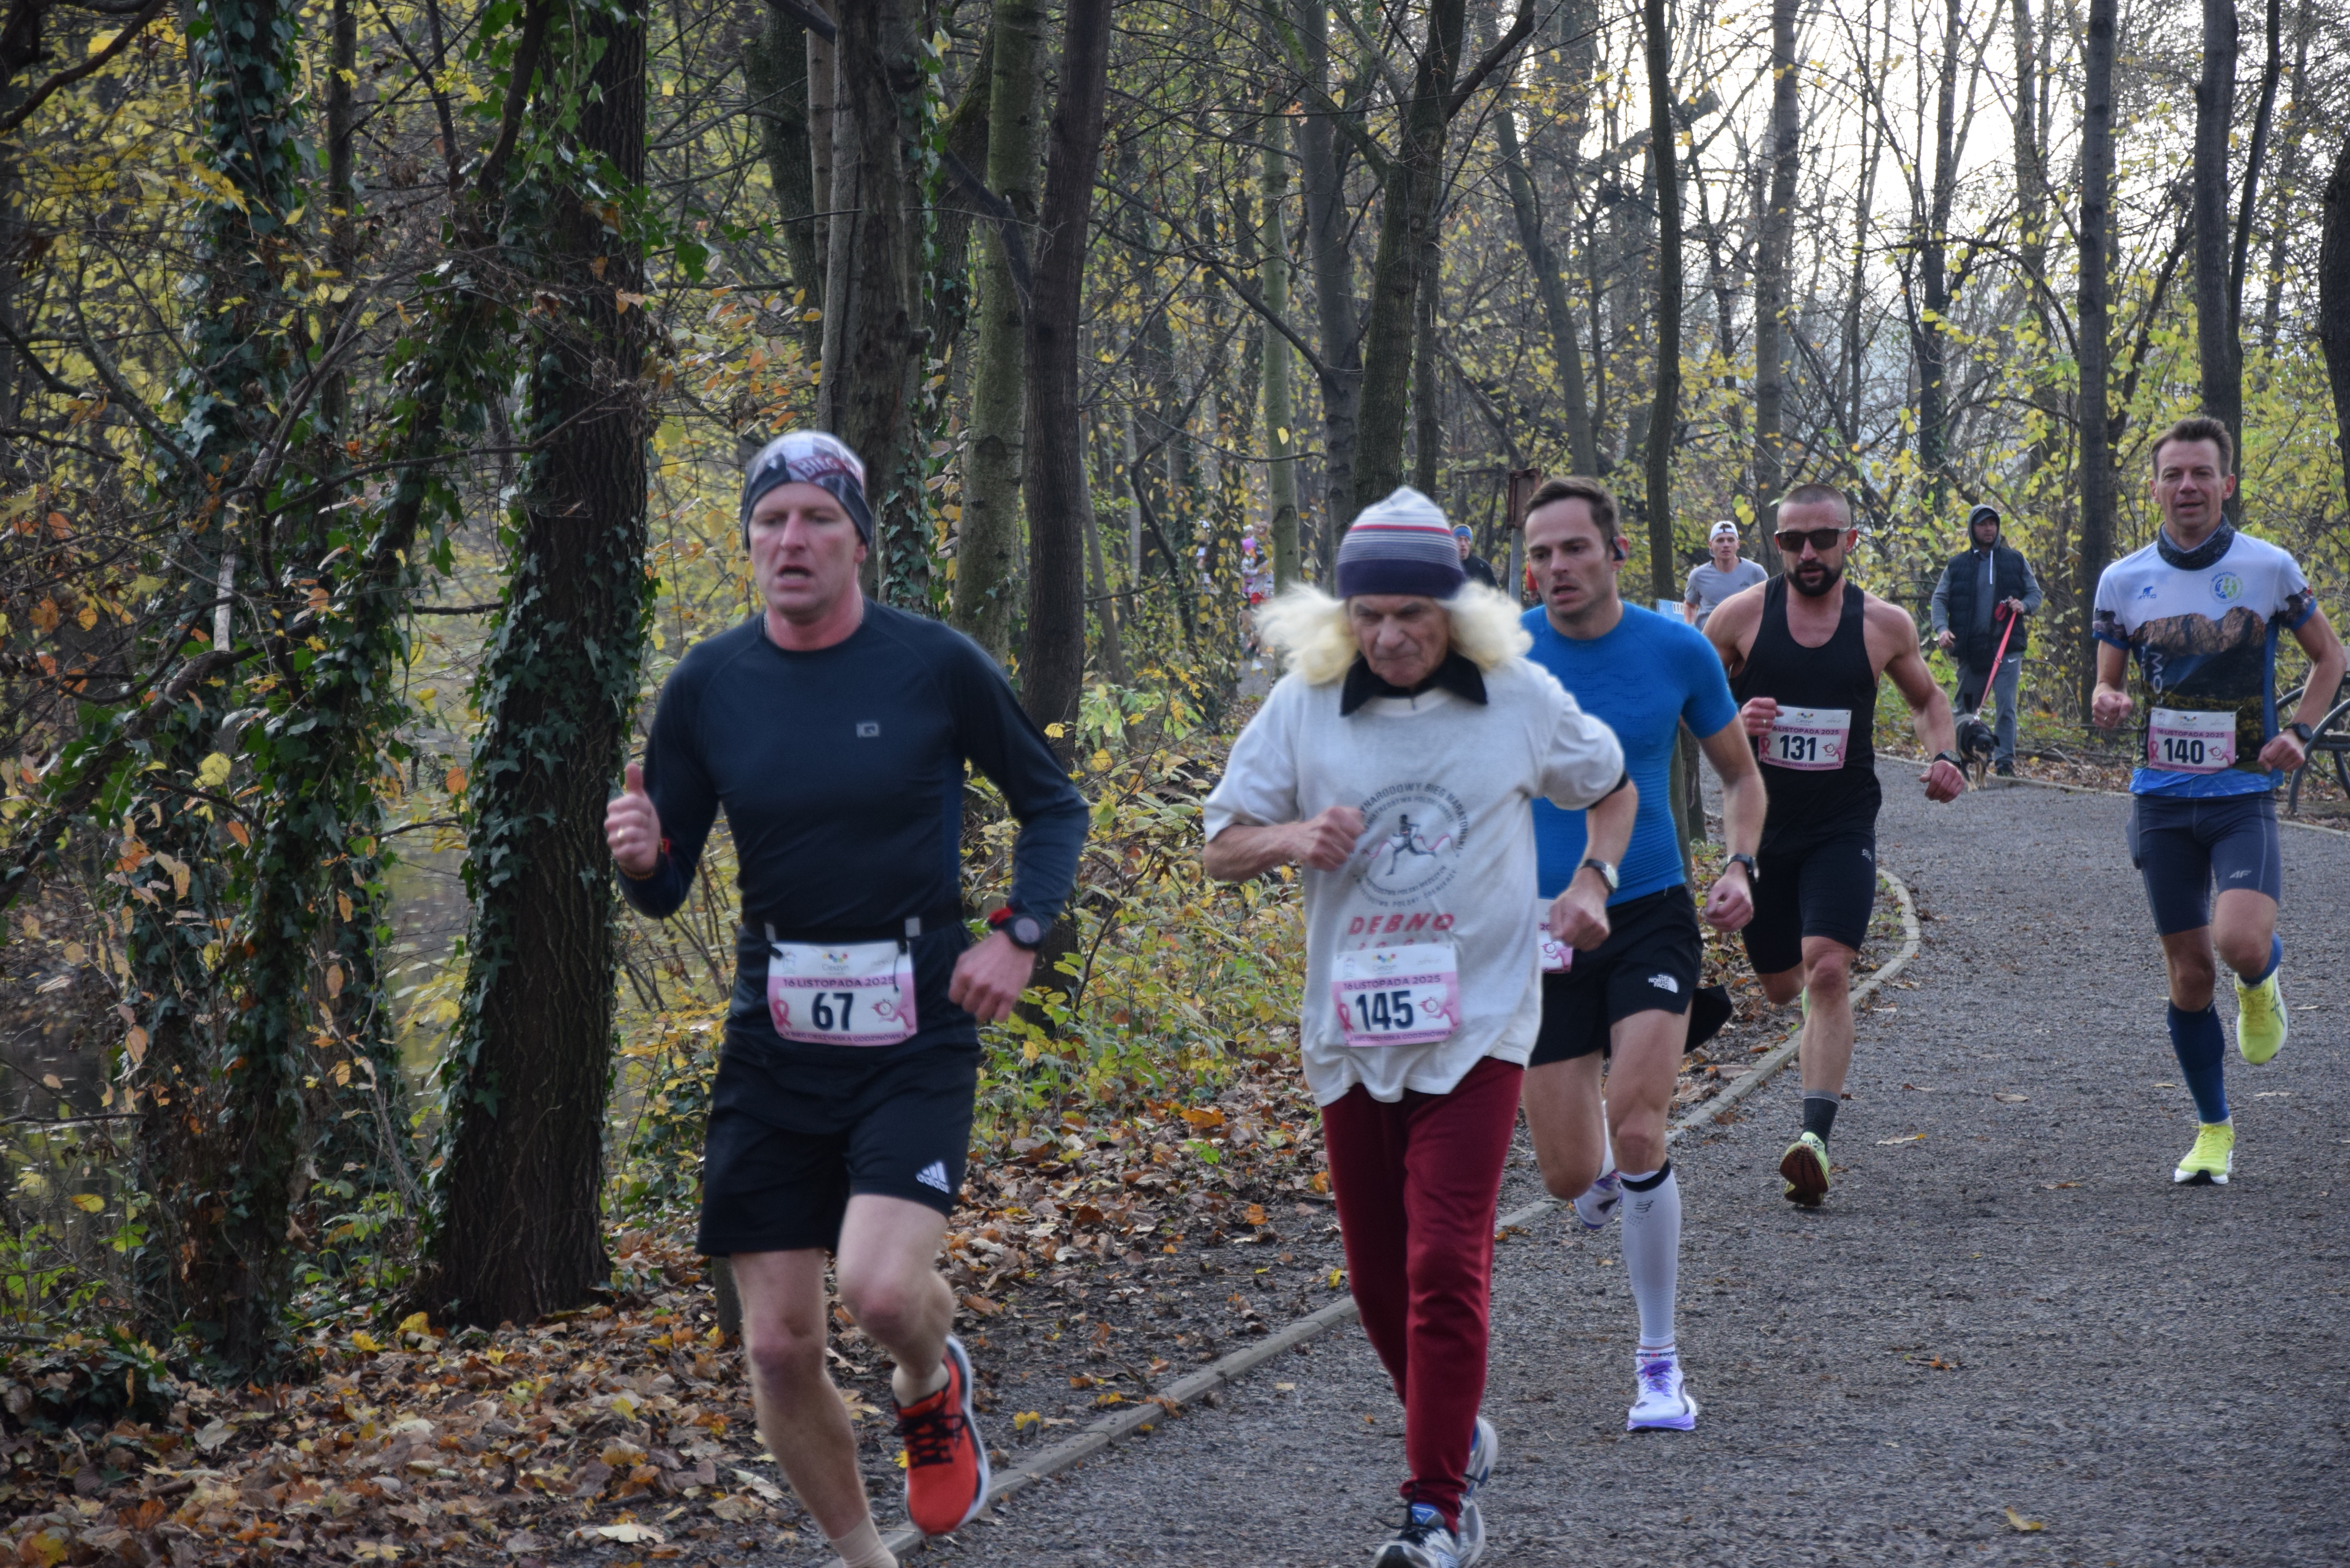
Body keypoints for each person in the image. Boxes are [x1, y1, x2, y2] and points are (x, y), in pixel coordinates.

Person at [604, 432, 1088, 1568]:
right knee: (777, 1346)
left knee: (877, 1294)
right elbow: (667, 887)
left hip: (915, 1025)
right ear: (749, 544)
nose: (792, 540)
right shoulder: (708, 685)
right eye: (770, 521)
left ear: (859, 542)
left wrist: (1019, 933)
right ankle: (865, 1557)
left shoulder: (934, 664)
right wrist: (638, 857)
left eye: (818, 519)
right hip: (773, 1038)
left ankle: (928, 1375)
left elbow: (1052, 805)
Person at [1201, 487, 1628, 1568]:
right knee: (1377, 1282)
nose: (1389, 637)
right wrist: (1294, 837)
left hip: (1479, 1022)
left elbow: (1613, 783)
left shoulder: (1515, 696)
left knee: (1443, 1256)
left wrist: (1593, 878)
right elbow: (1219, 842)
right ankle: (1453, 1430)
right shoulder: (1303, 704)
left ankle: (1435, 1510)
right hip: (1350, 1032)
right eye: (1368, 616)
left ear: (1454, 612)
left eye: (1411, 615)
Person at [1516, 476, 1766, 1433]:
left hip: (1651, 908)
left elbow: (1740, 777)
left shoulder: (1677, 649)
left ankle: (1659, 1366)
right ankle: (1605, 1174)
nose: (1556, 568)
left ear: (1616, 553)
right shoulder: (1501, 659)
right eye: (1540, 555)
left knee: (1638, 1128)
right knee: (1567, 1176)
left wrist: (1740, 864)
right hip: (1541, 925)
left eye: (1574, 548)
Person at [2089, 414, 2343, 1186]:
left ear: (2226, 483)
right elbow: (2107, 683)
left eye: (2202, 473)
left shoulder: (2268, 568)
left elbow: (2330, 657)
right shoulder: (2123, 579)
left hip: (2240, 796)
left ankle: (2261, 978)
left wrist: (2298, 731)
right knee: (2189, 974)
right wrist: (2106, 700)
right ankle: (2212, 1130)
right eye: (2173, 475)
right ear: (2154, 487)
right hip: (2162, 801)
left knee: (2238, 944)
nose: (2188, 487)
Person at [1703, 482, 1966, 1206]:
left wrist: (1945, 754)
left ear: (1850, 541)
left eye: (1823, 539)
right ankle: (1808, 1026)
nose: (1808, 553)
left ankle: (1812, 1139)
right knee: (1782, 986)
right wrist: (1732, 719)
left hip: (1841, 826)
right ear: (1777, 546)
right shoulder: (1738, 617)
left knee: (1826, 971)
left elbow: (1927, 699)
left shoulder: (1882, 624)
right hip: (1761, 830)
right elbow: (1686, 702)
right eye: (1793, 541)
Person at [1930, 503, 2043, 775]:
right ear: (1973, 528)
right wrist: (1942, 629)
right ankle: (1960, 759)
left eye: (1992, 523)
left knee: (2006, 706)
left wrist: (2024, 606)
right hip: (1972, 649)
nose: (1988, 529)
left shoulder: (2014, 560)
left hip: (2007, 648)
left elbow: (2035, 595)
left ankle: (2004, 763)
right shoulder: (1957, 565)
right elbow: (1939, 599)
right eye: (1982, 524)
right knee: (1966, 708)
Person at [1682, 520, 1768, 631]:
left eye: (1731, 540)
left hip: (1744, 636)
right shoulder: (1698, 576)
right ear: (1710, 545)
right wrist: (1690, 628)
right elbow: (1689, 605)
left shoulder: (1756, 572)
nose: (1726, 545)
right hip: (1709, 636)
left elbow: (1769, 604)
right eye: (1720, 541)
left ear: (1738, 544)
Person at [1454, 522, 1499, 589]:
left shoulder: (1482, 567)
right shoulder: (1447, 565)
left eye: (1466, 540)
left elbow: (1494, 591)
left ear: (1470, 543)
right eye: (1459, 540)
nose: (1463, 544)